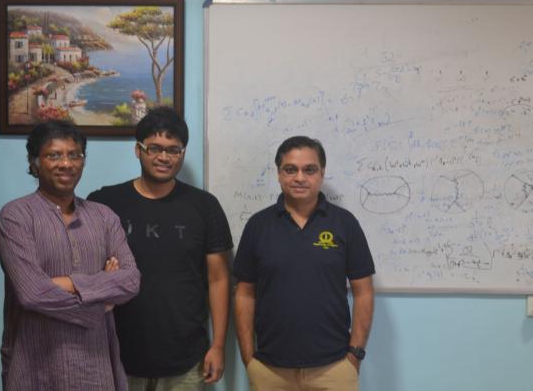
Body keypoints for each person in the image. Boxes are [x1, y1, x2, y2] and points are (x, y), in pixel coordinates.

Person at [88, 107, 233, 391]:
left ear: (182, 153)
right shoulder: (105, 202)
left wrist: (218, 346)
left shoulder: (205, 206)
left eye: (173, 150)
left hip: (185, 359)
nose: (164, 157)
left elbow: (219, 278)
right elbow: (87, 271)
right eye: (154, 148)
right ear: (138, 150)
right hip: (116, 356)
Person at [0, 120, 141, 391]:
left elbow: (131, 280)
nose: (66, 163)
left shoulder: (103, 216)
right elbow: (32, 294)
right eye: (54, 155)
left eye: (74, 155)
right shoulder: (16, 216)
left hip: (96, 367)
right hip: (36, 366)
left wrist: (66, 283)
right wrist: (101, 301)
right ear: (35, 162)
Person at [233, 136, 375, 391]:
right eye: (290, 169)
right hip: (269, 370)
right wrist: (248, 358)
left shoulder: (345, 224)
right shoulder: (258, 226)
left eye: (309, 170)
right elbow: (244, 293)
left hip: (334, 369)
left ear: (322, 173)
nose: (300, 177)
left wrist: (354, 355)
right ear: (279, 174)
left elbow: (363, 291)